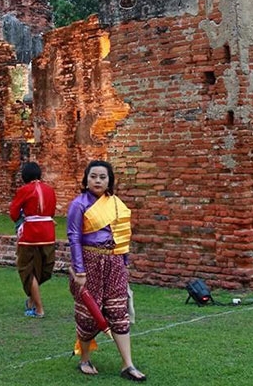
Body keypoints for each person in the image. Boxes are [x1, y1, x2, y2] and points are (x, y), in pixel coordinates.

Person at [67, 160, 146, 381]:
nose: (98, 181)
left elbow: (123, 236)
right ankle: (84, 359)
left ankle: (128, 364)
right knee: (88, 313)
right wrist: (79, 271)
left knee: (118, 311)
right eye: (93, 176)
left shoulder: (116, 204)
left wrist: (123, 263)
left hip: (114, 262)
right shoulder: (79, 204)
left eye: (103, 177)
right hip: (89, 261)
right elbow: (74, 238)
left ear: (109, 180)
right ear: (86, 179)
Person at [9, 161, 56, 318]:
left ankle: (38, 308)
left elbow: (14, 212)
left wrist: (21, 219)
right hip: (48, 233)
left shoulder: (24, 190)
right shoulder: (50, 190)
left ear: (24, 176)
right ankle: (31, 301)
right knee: (43, 269)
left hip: (30, 235)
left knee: (28, 271)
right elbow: (52, 211)